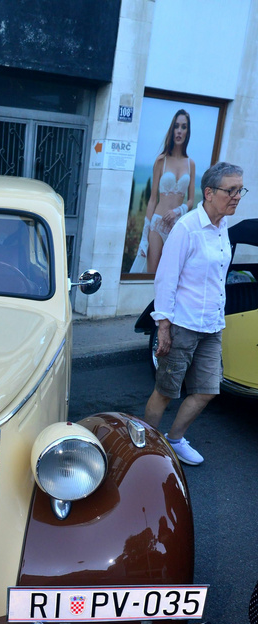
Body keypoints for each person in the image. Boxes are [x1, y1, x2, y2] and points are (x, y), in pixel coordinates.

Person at [143, 161, 246, 465]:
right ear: (209, 193)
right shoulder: (187, 228)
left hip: (211, 326)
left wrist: (219, 318)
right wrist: (163, 325)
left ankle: (174, 440)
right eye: (231, 190)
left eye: (240, 190)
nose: (237, 197)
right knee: (165, 391)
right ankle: (144, 448)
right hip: (183, 325)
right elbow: (166, 278)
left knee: (207, 390)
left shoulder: (222, 227)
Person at [131, 110, 196, 275]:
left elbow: (191, 201)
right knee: (152, 275)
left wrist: (177, 211)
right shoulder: (161, 161)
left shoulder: (191, 164)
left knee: (170, 274)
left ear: (187, 131)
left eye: (183, 127)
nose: (179, 131)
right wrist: (144, 238)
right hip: (158, 224)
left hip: (176, 226)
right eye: (176, 126)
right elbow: (152, 200)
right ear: (172, 130)